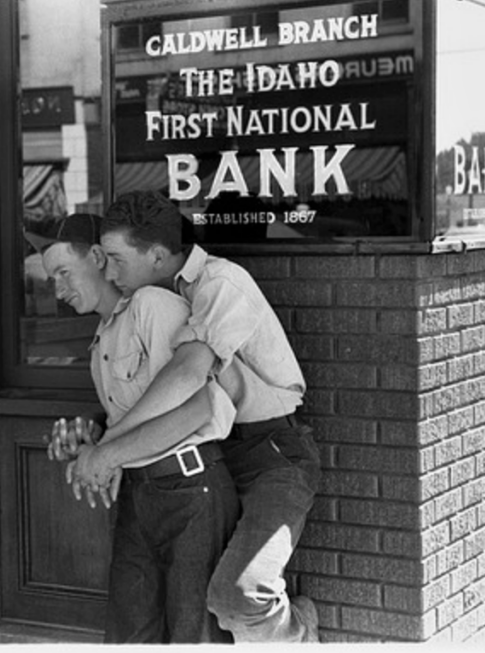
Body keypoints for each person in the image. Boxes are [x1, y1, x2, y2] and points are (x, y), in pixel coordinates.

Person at [87, 189, 322, 643]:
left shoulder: (221, 282)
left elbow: (189, 371)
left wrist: (108, 449)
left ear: (157, 254)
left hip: (273, 454)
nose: (110, 273)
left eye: (117, 259)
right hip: (213, 459)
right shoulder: (154, 298)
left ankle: (299, 633)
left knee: (237, 596)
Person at [35, 213, 240, 643]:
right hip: (140, 496)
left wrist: (105, 453)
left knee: (193, 636)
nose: (58, 289)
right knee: (129, 635)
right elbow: (132, 421)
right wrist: (87, 436)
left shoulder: (152, 305)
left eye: (63, 273)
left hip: (191, 492)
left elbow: (199, 407)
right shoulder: (101, 341)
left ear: (96, 257)